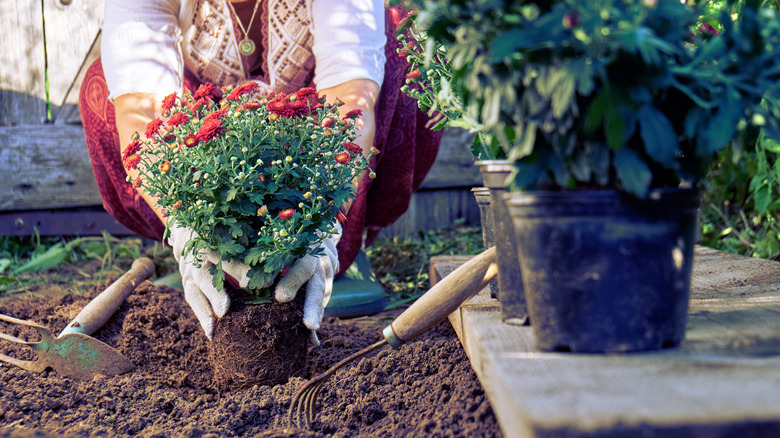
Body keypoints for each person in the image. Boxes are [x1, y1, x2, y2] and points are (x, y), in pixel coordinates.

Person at [79, 0, 442, 341]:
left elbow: (352, 98)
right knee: (103, 85)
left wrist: (322, 228)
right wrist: (185, 227)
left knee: (406, 47)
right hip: (214, 169)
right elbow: (139, 110)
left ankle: (336, 247)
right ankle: (208, 261)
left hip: (306, 156)